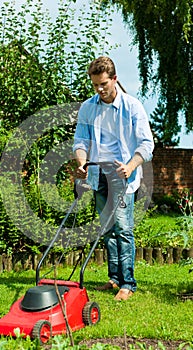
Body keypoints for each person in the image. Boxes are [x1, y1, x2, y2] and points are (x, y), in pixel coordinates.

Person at [73, 56, 154, 301]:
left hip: (122, 175)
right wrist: (80, 162)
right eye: (95, 84)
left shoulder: (132, 107)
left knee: (123, 228)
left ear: (115, 79)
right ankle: (114, 278)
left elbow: (147, 144)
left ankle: (128, 283)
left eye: (104, 84)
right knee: (107, 229)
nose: (99, 89)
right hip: (98, 174)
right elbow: (81, 141)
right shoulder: (88, 107)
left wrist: (130, 166)